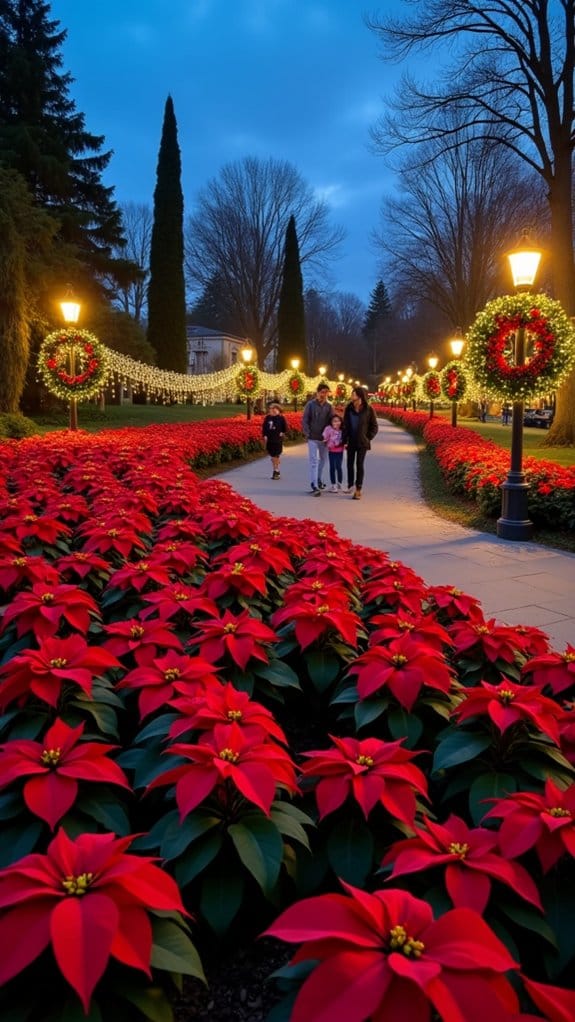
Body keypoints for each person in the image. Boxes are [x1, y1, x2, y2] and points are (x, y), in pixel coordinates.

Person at [342, 386, 379, 500]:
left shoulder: (368, 409)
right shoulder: (349, 408)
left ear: (359, 396)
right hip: (351, 441)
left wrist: (368, 438)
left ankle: (358, 489)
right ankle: (350, 485)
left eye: (353, 394)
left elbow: (374, 426)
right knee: (349, 464)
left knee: (359, 464)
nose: (351, 396)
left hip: (362, 442)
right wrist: (344, 440)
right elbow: (345, 425)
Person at [302, 383, 332, 495]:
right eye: (322, 392)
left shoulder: (329, 407)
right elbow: (305, 420)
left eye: (326, 392)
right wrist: (307, 433)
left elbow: (331, 421)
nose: (324, 395)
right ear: (317, 392)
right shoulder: (310, 405)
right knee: (313, 461)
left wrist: (330, 436)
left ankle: (318, 478)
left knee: (323, 460)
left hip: (324, 439)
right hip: (312, 438)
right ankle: (314, 484)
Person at [261, 402, 287, 480]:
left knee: (275, 455)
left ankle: (276, 471)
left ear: (278, 410)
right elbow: (264, 427)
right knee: (273, 456)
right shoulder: (267, 418)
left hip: (277, 439)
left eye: (274, 409)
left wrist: (282, 432)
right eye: (271, 409)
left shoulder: (281, 418)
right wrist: (265, 435)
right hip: (269, 439)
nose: (272, 410)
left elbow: (285, 428)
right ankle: (276, 468)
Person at [322, 413, 345, 491]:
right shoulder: (329, 429)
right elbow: (325, 437)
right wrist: (326, 440)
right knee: (332, 467)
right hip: (331, 451)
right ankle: (333, 485)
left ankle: (339, 483)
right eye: (334, 421)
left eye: (338, 421)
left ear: (341, 422)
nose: (336, 423)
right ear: (331, 422)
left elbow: (344, 439)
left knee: (339, 467)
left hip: (340, 451)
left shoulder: (342, 430)